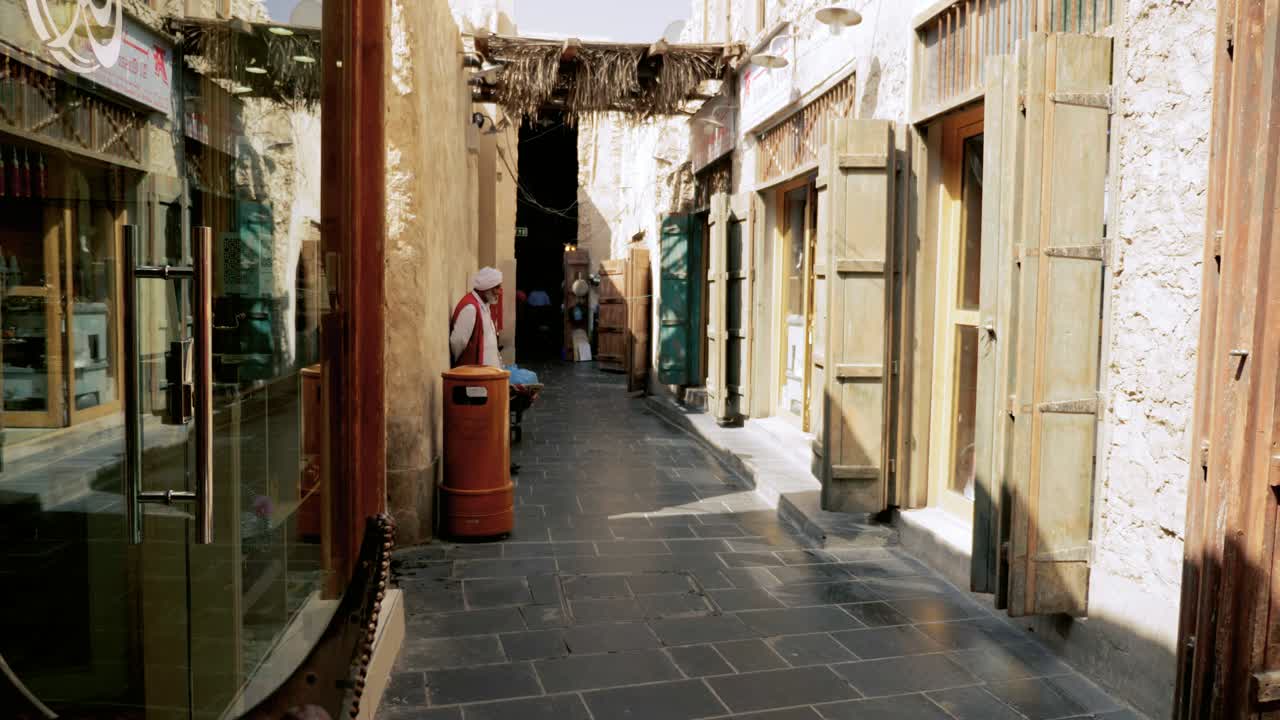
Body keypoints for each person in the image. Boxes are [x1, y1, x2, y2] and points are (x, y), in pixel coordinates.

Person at [450, 267, 503, 368]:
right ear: (486, 288)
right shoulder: (470, 308)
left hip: (487, 372)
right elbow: (458, 342)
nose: (499, 292)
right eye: (496, 288)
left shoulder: (485, 306)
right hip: (474, 373)